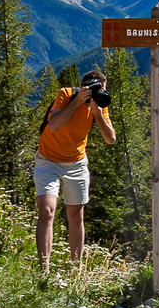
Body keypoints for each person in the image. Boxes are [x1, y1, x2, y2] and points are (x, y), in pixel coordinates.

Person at [34, 69, 116, 275]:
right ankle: (43, 272)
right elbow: (54, 126)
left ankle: (74, 271)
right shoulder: (66, 94)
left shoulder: (100, 106)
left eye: (102, 90)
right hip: (48, 159)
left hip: (76, 163)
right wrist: (78, 101)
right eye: (95, 90)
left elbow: (111, 139)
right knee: (46, 211)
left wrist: (98, 114)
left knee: (76, 215)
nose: (99, 94)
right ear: (83, 87)